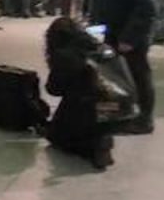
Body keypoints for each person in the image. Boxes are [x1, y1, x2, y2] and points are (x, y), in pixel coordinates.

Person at [92, 0, 158, 135]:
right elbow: (103, 0)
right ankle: (114, 113)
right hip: (110, 33)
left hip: (131, 38)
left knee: (139, 76)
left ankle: (144, 119)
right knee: (110, 77)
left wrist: (129, 38)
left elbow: (146, 10)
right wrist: (96, 28)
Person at [43, 18, 115, 170]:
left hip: (83, 105)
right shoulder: (97, 46)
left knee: (55, 136)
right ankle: (102, 141)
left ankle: (84, 143)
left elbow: (54, 89)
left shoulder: (64, 55)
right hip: (110, 104)